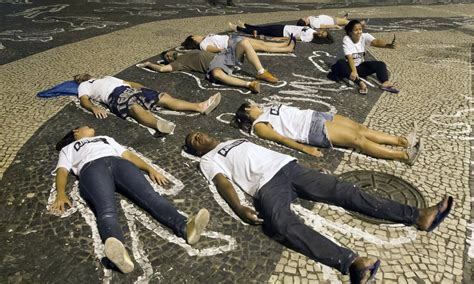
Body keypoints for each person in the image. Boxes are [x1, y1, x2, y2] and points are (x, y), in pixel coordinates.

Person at [184, 131, 453, 283]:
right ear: (196, 151)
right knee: (280, 224)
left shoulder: (234, 139)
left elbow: (269, 152)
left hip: (289, 168)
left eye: (197, 131)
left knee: (343, 190)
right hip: (266, 187)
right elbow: (223, 183)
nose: (196, 135)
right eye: (192, 139)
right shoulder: (207, 160)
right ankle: (353, 262)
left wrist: (308, 166)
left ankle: (419, 215)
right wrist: (239, 207)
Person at [50, 126, 211, 274]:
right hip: (91, 168)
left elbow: (127, 155)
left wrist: (149, 169)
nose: (89, 127)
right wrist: (61, 194)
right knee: (106, 211)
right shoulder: (67, 148)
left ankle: (186, 227)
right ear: (76, 132)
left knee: (151, 196)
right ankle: (119, 254)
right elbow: (62, 171)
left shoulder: (106, 138)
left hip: (119, 163)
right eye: (83, 127)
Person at [233, 102, 422, 165]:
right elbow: (281, 139)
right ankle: (404, 156)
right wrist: (306, 150)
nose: (256, 104)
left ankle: (402, 141)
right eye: (252, 104)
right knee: (357, 140)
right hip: (311, 130)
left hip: (315, 116)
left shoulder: (267, 110)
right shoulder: (259, 125)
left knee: (359, 128)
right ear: (249, 109)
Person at [74, 74, 221, 134]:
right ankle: (157, 124)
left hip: (126, 88)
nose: (84, 76)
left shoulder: (107, 77)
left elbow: (129, 83)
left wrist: (144, 88)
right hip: (114, 95)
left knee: (162, 97)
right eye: (80, 76)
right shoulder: (85, 85)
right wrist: (93, 107)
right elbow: (84, 99)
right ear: (80, 80)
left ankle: (200, 106)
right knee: (133, 107)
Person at [138, 37, 279, 94]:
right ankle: (249, 84)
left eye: (169, 53)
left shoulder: (189, 51)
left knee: (244, 42)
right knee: (216, 74)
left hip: (223, 57)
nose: (169, 55)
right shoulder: (179, 63)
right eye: (167, 57)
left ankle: (261, 71)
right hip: (214, 66)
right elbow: (163, 69)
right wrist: (149, 64)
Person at [330, 20, 399, 94]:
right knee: (341, 63)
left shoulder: (364, 36)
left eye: (360, 29)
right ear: (350, 32)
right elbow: (349, 57)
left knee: (380, 64)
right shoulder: (346, 39)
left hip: (358, 67)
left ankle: (385, 82)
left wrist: (388, 45)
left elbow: (375, 42)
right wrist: (354, 71)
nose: (359, 32)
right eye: (356, 30)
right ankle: (360, 83)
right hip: (344, 67)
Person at [228, 20, 334, 44]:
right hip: (284, 27)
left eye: (321, 35)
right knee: (263, 28)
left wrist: (279, 39)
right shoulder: (313, 31)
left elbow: (292, 38)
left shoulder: (309, 38)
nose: (320, 33)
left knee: (261, 31)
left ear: (320, 38)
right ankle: (245, 25)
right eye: (322, 32)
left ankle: (238, 28)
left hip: (282, 32)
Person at [181, 33, 296, 54]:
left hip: (233, 38)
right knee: (262, 47)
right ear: (194, 39)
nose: (197, 35)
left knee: (261, 43)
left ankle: (283, 44)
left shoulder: (206, 38)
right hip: (232, 43)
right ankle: (287, 49)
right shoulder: (203, 45)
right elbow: (215, 49)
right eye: (195, 35)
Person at [296, 14, 366, 30]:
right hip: (332, 21)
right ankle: (360, 23)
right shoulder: (313, 24)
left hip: (330, 18)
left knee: (343, 20)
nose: (304, 17)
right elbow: (324, 26)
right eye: (303, 19)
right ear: (305, 22)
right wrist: (335, 26)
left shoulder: (309, 19)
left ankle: (343, 19)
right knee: (348, 23)